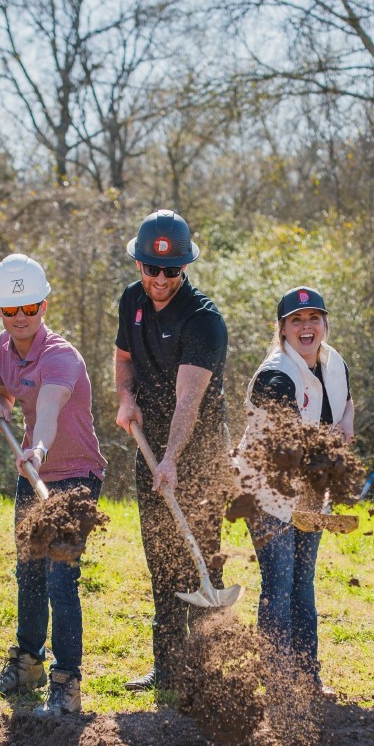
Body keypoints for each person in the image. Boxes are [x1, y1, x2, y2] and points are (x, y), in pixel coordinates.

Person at [0, 254, 107, 716]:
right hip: (34, 472)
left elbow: (50, 408)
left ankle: (67, 682)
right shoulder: (3, 347)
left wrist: (37, 449)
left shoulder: (61, 356)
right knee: (28, 572)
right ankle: (29, 662)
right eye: (10, 310)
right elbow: (1, 389)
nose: (20, 318)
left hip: (73, 477)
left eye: (29, 308)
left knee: (59, 576)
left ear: (44, 306)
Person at [113, 210, 231, 693]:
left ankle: (207, 664)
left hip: (198, 447)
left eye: (171, 271)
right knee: (160, 551)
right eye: (151, 269)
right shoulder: (131, 301)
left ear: (185, 269)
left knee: (201, 550)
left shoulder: (204, 321)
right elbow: (123, 359)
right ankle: (167, 665)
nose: (159, 279)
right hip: (149, 442)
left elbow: (190, 398)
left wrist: (173, 458)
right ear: (140, 265)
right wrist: (125, 398)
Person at [239, 286, 353, 692]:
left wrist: (346, 428)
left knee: (302, 582)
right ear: (283, 329)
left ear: (324, 323)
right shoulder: (275, 375)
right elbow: (287, 448)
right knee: (280, 581)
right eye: (296, 321)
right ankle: (276, 681)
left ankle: (306, 676)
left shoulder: (331, 361)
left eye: (313, 319)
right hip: (269, 491)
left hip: (309, 489)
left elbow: (345, 404)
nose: (306, 327)